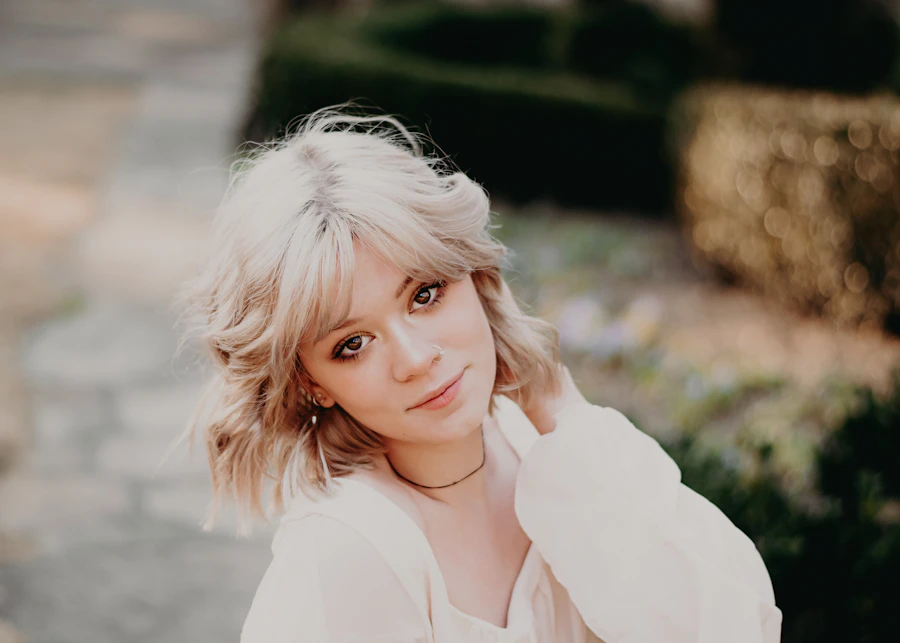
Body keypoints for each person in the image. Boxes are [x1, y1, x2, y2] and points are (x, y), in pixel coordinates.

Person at [179, 106, 783, 642]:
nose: (416, 359)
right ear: (309, 380)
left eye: (425, 294)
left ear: (475, 275)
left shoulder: (550, 449)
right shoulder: (346, 555)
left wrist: (566, 420)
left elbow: (737, 626)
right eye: (353, 344)